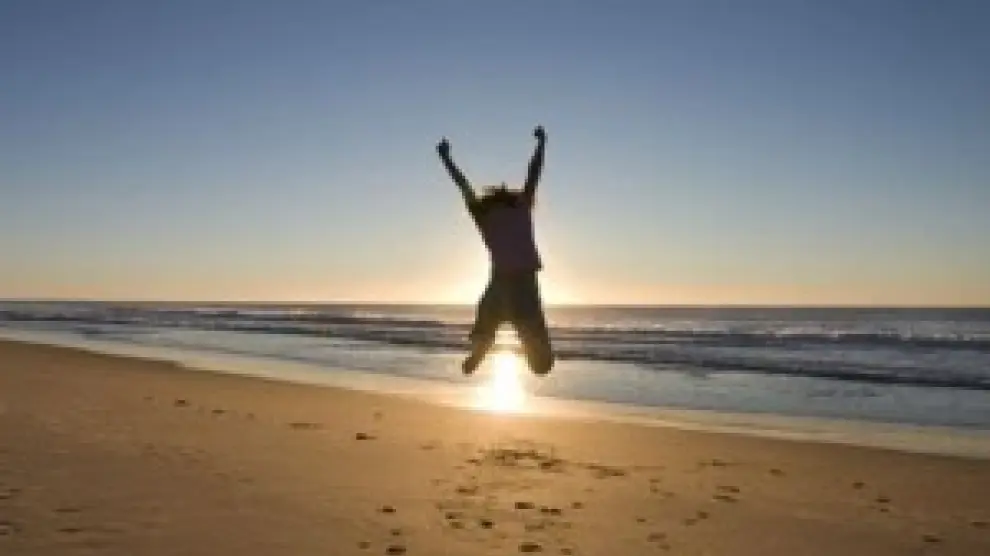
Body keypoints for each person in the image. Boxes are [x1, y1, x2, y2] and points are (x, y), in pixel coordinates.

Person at [437, 125, 555, 376]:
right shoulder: (521, 206)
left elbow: (463, 185)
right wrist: (541, 144)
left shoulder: (484, 214)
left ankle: (482, 345)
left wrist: (446, 159)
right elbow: (534, 173)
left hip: (500, 281)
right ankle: (540, 357)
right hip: (525, 282)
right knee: (531, 326)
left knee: (487, 317)